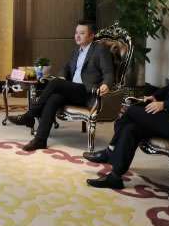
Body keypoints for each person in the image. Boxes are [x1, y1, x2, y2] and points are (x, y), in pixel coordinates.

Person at [85, 35, 169, 189]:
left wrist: (164, 104)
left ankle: (110, 151)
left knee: (131, 111)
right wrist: (155, 96)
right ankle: (115, 177)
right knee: (131, 128)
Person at [7, 21, 114, 151]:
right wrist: (63, 77)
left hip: (86, 91)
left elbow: (108, 72)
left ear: (91, 36)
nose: (77, 36)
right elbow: (66, 68)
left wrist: (106, 84)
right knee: (54, 98)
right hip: (72, 90)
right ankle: (40, 140)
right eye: (76, 33)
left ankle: (30, 115)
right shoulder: (77, 51)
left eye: (82, 33)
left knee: (56, 83)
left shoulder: (100, 49)